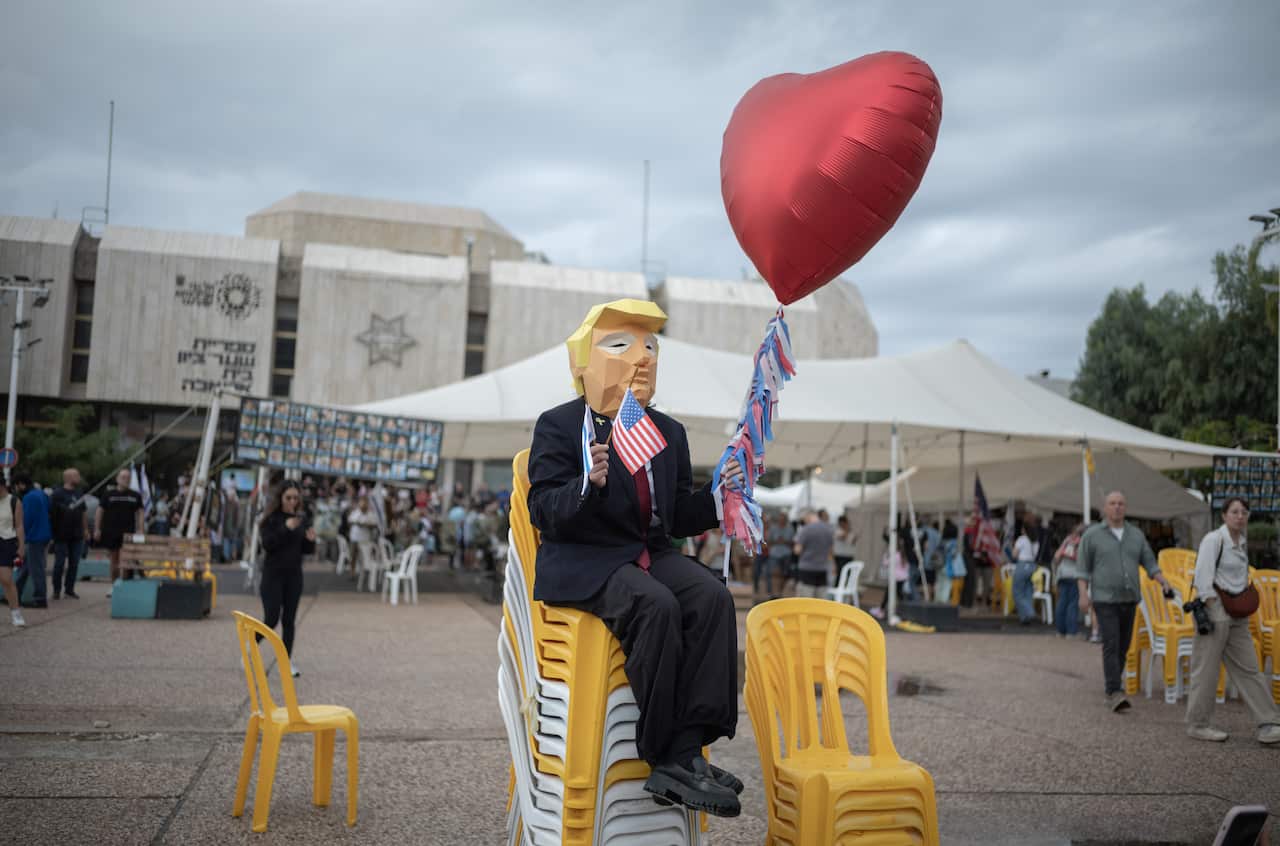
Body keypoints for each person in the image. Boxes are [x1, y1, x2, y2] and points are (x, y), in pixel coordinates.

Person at [527, 298, 744, 817]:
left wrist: (719, 501)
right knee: (657, 606)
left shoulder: (667, 432)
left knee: (713, 596)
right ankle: (663, 754)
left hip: (647, 549)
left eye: (650, 345)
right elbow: (542, 508)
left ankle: (690, 747)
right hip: (587, 556)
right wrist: (586, 486)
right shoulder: (560, 426)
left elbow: (672, 514)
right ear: (583, 360)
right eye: (621, 344)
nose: (642, 357)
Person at [1184, 497, 1280, 744]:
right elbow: (1202, 576)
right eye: (1235, 511)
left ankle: (1269, 723)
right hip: (1216, 607)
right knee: (1206, 670)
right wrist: (1210, 606)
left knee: (1250, 668)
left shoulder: (1241, 541)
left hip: (1237, 611)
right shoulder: (1214, 539)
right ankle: (1198, 724)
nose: (1240, 516)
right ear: (1224, 515)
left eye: (1244, 512)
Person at [1075, 490, 1175, 712]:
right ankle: (1114, 691)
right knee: (1111, 643)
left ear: (1125, 507)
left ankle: (1113, 685)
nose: (1117, 507)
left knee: (1124, 646)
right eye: (1112, 503)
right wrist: (1083, 594)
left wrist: (1163, 581)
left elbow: (1150, 563)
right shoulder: (1092, 535)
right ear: (1105, 508)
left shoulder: (1136, 535)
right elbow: (1082, 568)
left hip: (1129, 598)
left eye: (1121, 503)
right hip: (1104, 598)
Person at [258, 481, 316, 678]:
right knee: (271, 618)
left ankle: (286, 662)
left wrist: (310, 541)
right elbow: (268, 544)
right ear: (280, 499)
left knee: (289, 620)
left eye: (295, 498)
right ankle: (251, 645)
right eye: (288, 498)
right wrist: (285, 528)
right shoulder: (271, 519)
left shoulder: (301, 519)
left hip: (294, 576)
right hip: (273, 575)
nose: (292, 502)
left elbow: (306, 550)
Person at [95, 468, 145, 595]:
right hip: (111, 531)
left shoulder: (135, 496)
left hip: (128, 533)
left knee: (126, 560)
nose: (125, 480)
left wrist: (140, 529)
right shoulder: (109, 495)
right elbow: (100, 511)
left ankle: (124, 585)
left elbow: (140, 513)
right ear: (117, 479)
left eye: (128, 478)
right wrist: (97, 529)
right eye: (123, 477)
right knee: (114, 560)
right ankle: (114, 585)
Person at [49, 468, 88, 600]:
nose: (79, 477)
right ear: (69, 477)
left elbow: (83, 512)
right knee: (59, 563)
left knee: (74, 563)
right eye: (77, 475)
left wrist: (85, 529)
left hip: (77, 534)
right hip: (61, 534)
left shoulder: (79, 493)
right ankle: (56, 589)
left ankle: (69, 589)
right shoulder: (57, 494)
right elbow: (52, 515)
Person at [13, 473, 51, 609]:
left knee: (36, 570)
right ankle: (14, 595)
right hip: (43, 534)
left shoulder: (28, 498)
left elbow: (25, 520)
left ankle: (40, 599)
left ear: (21, 484)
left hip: (34, 537)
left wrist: (19, 538)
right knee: (24, 568)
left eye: (16, 486)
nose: (16, 489)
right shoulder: (41, 494)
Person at [0, 478, 26, 626]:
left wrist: (21, 546)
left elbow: (19, 525)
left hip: (7, 541)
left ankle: (16, 613)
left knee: (6, 578)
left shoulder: (14, 501)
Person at [1052, 523, 1085, 638]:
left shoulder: (1067, 540)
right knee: (1072, 604)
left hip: (1062, 574)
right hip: (1074, 575)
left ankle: (1060, 630)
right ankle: (1071, 632)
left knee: (1062, 602)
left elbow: (1056, 556)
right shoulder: (1082, 542)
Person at [793, 509, 835, 598]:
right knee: (820, 601)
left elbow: (797, 550)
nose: (803, 521)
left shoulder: (806, 530)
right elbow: (831, 551)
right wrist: (834, 566)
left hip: (807, 569)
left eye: (803, 519)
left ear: (808, 516)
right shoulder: (828, 529)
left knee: (806, 600)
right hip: (823, 568)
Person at [1011, 517, 1040, 624]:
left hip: (1022, 565)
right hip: (1032, 566)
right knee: (1028, 591)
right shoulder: (1035, 541)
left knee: (1017, 592)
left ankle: (1029, 612)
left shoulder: (1021, 539)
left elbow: (1014, 554)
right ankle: (1024, 618)